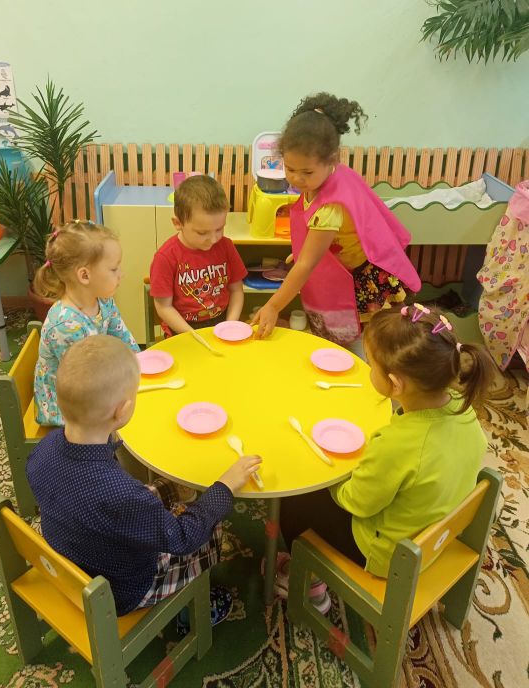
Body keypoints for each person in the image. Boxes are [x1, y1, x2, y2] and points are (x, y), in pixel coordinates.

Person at [26, 334, 262, 618]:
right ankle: (190, 611)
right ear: (123, 410)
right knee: (211, 530)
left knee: (163, 497)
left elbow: (106, 502)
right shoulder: (121, 494)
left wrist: (166, 492)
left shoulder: (42, 452)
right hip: (122, 590)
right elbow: (182, 538)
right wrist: (224, 487)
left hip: (73, 557)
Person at [278, 304, 495, 590]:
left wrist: (330, 475)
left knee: (295, 496)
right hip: (436, 534)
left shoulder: (397, 445)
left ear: (395, 384)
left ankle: (310, 583)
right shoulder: (462, 408)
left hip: (388, 554)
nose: (369, 370)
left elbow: (357, 502)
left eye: (371, 364)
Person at [251, 93, 421, 353]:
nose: (296, 178)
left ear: (332, 159)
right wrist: (304, 251)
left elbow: (307, 264)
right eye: (290, 168)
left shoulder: (330, 208)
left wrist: (273, 306)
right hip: (351, 264)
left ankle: (368, 374)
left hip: (363, 277)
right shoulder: (331, 177)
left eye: (307, 172)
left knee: (362, 342)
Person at [33, 220, 140, 427]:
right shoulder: (65, 325)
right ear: (84, 275)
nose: (121, 274)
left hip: (97, 377)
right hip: (66, 406)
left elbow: (122, 337)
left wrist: (138, 365)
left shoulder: (103, 301)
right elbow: (85, 382)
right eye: (114, 269)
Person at [150, 175, 248, 336]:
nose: (214, 239)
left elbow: (237, 290)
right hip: (183, 328)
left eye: (219, 229)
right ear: (178, 223)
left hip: (222, 321)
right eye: (202, 233)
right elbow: (164, 307)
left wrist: (230, 324)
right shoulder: (166, 257)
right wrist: (192, 335)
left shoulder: (226, 246)